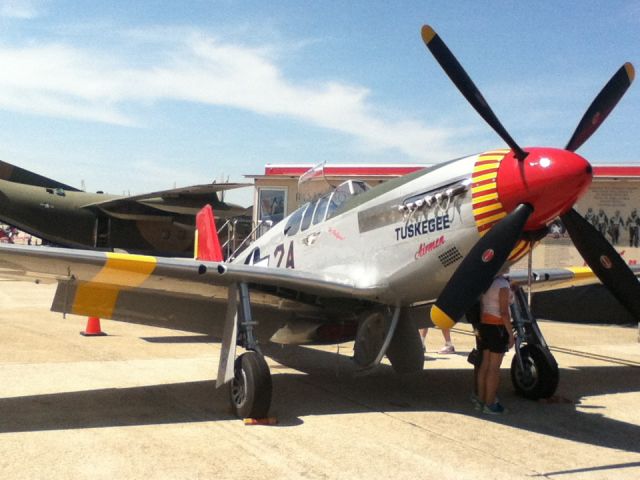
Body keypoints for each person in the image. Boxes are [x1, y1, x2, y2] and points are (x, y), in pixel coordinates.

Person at [477, 272, 515, 414]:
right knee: (494, 367)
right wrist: (511, 334)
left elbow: (481, 306)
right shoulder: (502, 285)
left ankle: (481, 400)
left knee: (485, 365)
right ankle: (490, 403)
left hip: (485, 324)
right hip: (498, 326)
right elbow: (504, 312)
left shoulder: (486, 282)